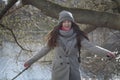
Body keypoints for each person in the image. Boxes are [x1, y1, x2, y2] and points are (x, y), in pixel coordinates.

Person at [24, 10, 116, 80]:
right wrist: (30, 62)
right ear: (61, 23)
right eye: (64, 21)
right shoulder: (55, 37)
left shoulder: (78, 36)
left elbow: (91, 47)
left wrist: (106, 53)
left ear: (72, 22)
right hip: (58, 71)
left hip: (73, 70)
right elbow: (43, 50)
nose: (67, 23)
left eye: (69, 21)